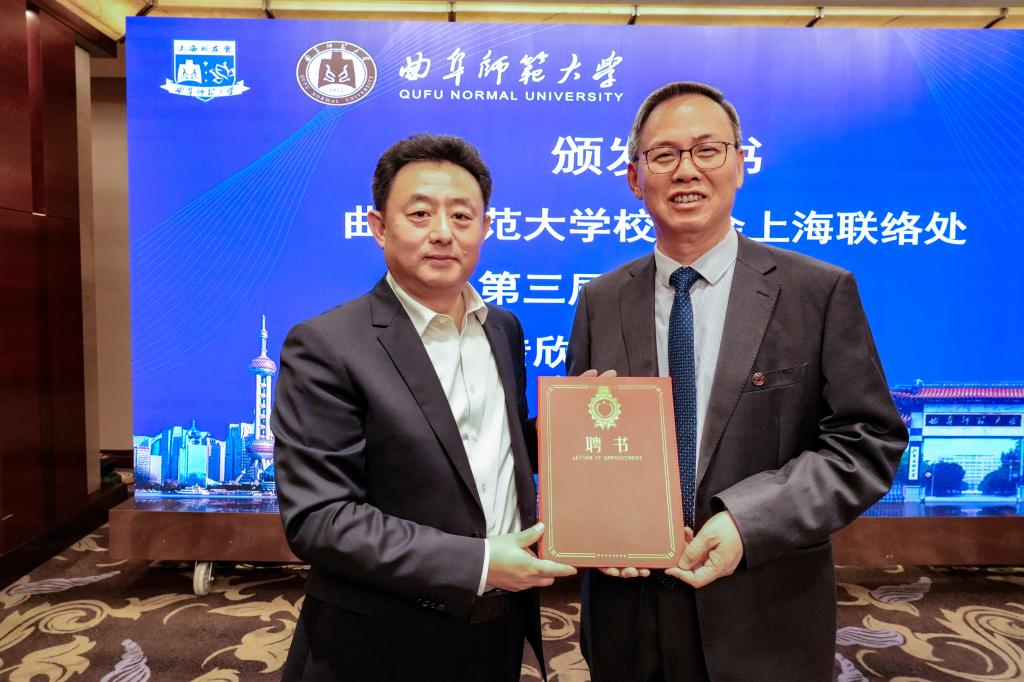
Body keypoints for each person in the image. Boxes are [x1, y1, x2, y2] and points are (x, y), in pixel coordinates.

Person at [566, 81, 908, 680]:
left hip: (764, 614)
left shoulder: (818, 291)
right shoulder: (601, 300)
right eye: (664, 155)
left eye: (707, 150)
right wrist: (598, 525)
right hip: (628, 617)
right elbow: (589, 448)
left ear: (740, 164)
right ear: (634, 178)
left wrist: (748, 522)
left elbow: (867, 442)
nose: (686, 170)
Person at [273, 133, 575, 681]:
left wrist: (575, 427)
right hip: (381, 640)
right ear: (378, 227)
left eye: (462, 216)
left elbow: (484, 449)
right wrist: (479, 563)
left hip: (498, 626)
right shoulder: (327, 345)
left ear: (486, 228)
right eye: (419, 214)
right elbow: (320, 518)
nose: (442, 232)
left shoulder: (503, 330)